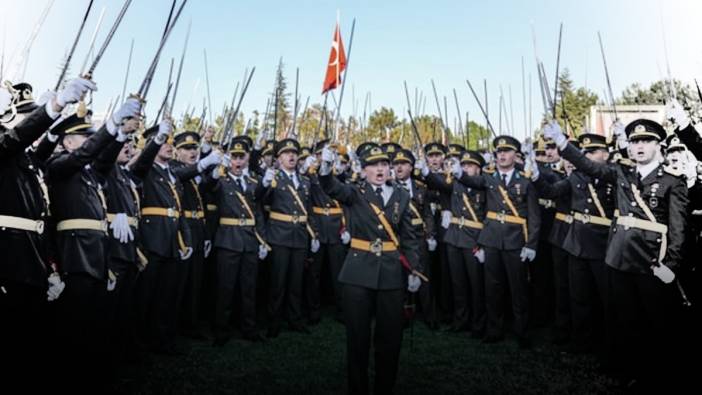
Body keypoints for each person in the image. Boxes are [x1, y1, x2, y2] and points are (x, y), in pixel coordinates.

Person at [544, 119, 688, 389]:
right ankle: (626, 367)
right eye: (635, 142)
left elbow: (678, 228)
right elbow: (589, 166)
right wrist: (563, 144)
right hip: (619, 257)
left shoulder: (672, 182)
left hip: (651, 261)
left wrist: (671, 264)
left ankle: (657, 372)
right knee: (623, 316)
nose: (640, 146)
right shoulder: (621, 174)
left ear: (659, 146)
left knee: (654, 319)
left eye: (646, 141)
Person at [318, 144, 421, 394]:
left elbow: (408, 238)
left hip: (391, 274)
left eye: (384, 165)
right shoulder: (354, 192)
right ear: (363, 171)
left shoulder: (401, 195)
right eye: (374, 165)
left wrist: (414, 270)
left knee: (390, 339)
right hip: (358, 272)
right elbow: (331, 186)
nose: (380, 169)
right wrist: (324, 167)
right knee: (357, 338)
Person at [445, 135, 541, 348]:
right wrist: (459, 172)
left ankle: (522, 332)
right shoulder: (489, 178)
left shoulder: (525, 180)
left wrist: (531, 244)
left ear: (516, 156)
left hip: (516, 241)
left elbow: (534, 217)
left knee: (518, 290)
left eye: (507, 152)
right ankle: (493, 329)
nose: (502, 156)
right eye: (499, 152)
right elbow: (471, 180)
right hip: (492, 241)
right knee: (492, 288)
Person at [256, 138, 319, 337]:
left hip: (299, 235)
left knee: (296, 281)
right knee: (278, 282)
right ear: (278, 158)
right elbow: (258, 200)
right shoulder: (273, 178)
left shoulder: (305, 181)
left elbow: (309, 210)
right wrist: (265, 184)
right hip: (279, 235)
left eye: (294, 153)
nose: (291, 156)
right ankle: (273, 321)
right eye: (286, 153)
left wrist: (314, 234)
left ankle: (294, 319)